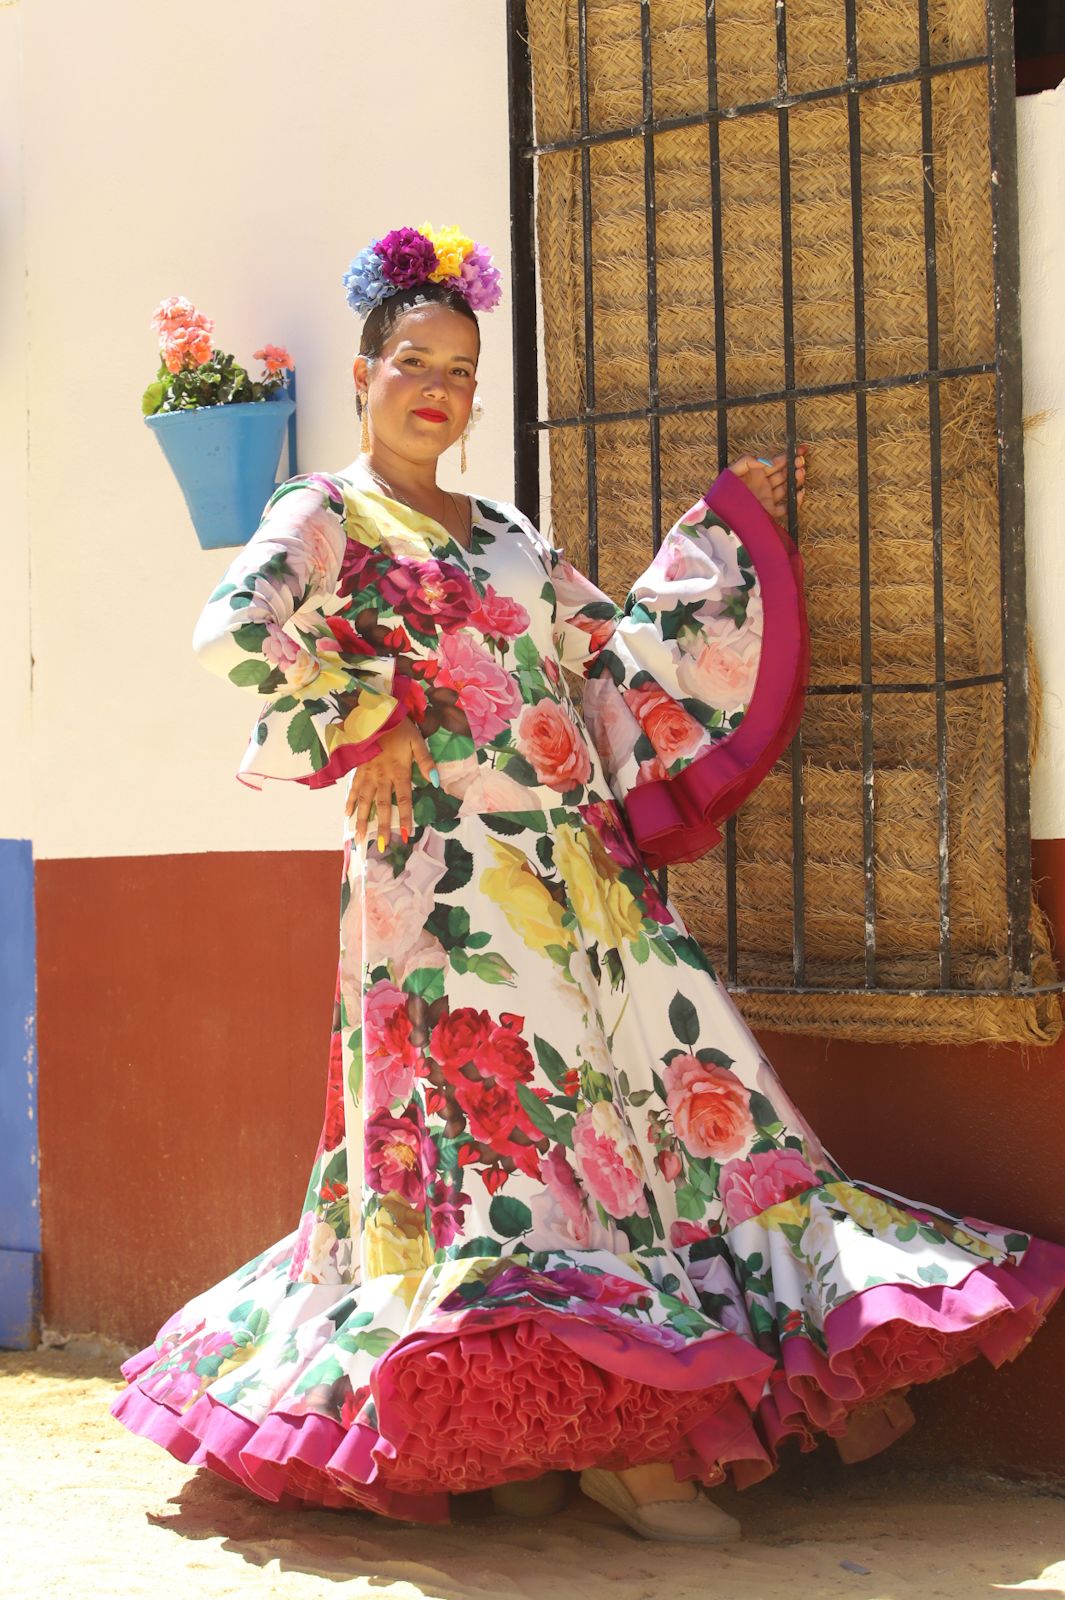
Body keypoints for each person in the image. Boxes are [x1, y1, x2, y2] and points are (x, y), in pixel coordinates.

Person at [112, 223, 1065, 1543]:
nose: (436, 389)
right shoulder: (324, 515)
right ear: (363, 374)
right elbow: (234, 630)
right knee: (503, 1140)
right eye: (411, 362)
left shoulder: (501, 528)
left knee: (631, 1123)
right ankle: (577, 1434)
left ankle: (579, 1424)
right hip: (437, 892)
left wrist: (715, 547)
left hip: (573, 878)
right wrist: (365, 718)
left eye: (461, 368)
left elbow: (605, 662)